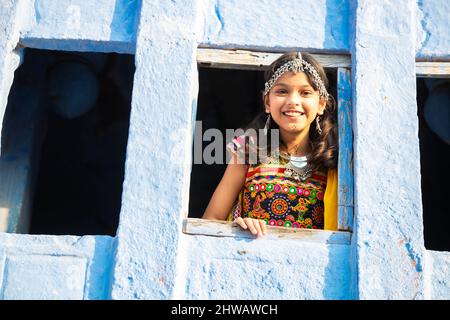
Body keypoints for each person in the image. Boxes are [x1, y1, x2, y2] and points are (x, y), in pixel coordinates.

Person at [202, 52, 338, 237]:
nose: (293, 101)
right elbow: (211, 219)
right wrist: (237, 228)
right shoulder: (248, 151)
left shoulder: (333, 160)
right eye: (282, 91)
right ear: (267, 101)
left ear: (321, 104)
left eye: (305, 93)